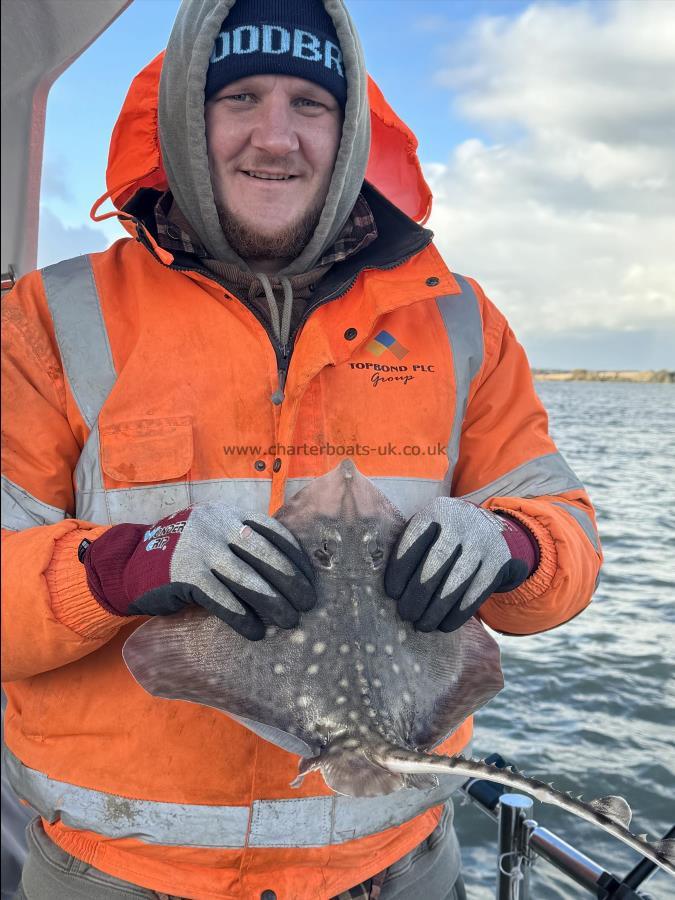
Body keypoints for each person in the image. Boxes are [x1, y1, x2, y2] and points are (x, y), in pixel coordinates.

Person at [1, 0, 603, 897]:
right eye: (238, 96)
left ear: (351, 127)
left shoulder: (460, 323)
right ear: (182, 121)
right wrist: (128, 563)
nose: (273, 137)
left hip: (393, 858)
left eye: (309, 105)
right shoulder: (50, 321)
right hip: (120, 867)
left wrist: (513, 546)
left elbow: (569, 543)